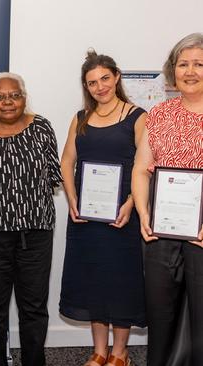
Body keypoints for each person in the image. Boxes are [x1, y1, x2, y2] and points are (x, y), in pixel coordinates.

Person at [59, 50, 146, 366]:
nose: (100, 87)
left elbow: (145, 165)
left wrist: (132, 203)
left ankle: (120, 353)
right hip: (86, 218)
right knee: (92, 279)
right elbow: (67, 161)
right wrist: (70, 197)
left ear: (117, 77)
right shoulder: (80, 118)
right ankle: (99, 351)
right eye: (92, 82)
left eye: (105, 79)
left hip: (123, 215)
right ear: (87, 86)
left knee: (120, 282)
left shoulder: (138, 117)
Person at [0, 72, 61, 366]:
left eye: (14, 95)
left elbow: (53, 176)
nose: (8, 102)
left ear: (24, 98)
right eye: (0, 96)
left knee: (34, 307)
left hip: (36, 233)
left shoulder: (41, 127)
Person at [132, 32, 203, 366]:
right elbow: (141, 170)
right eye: (183, 63)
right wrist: (144, 215)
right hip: (161, 231)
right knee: (161, 316)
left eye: (199, 64)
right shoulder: (158, 114)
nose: (190, 71)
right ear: (173, 70)